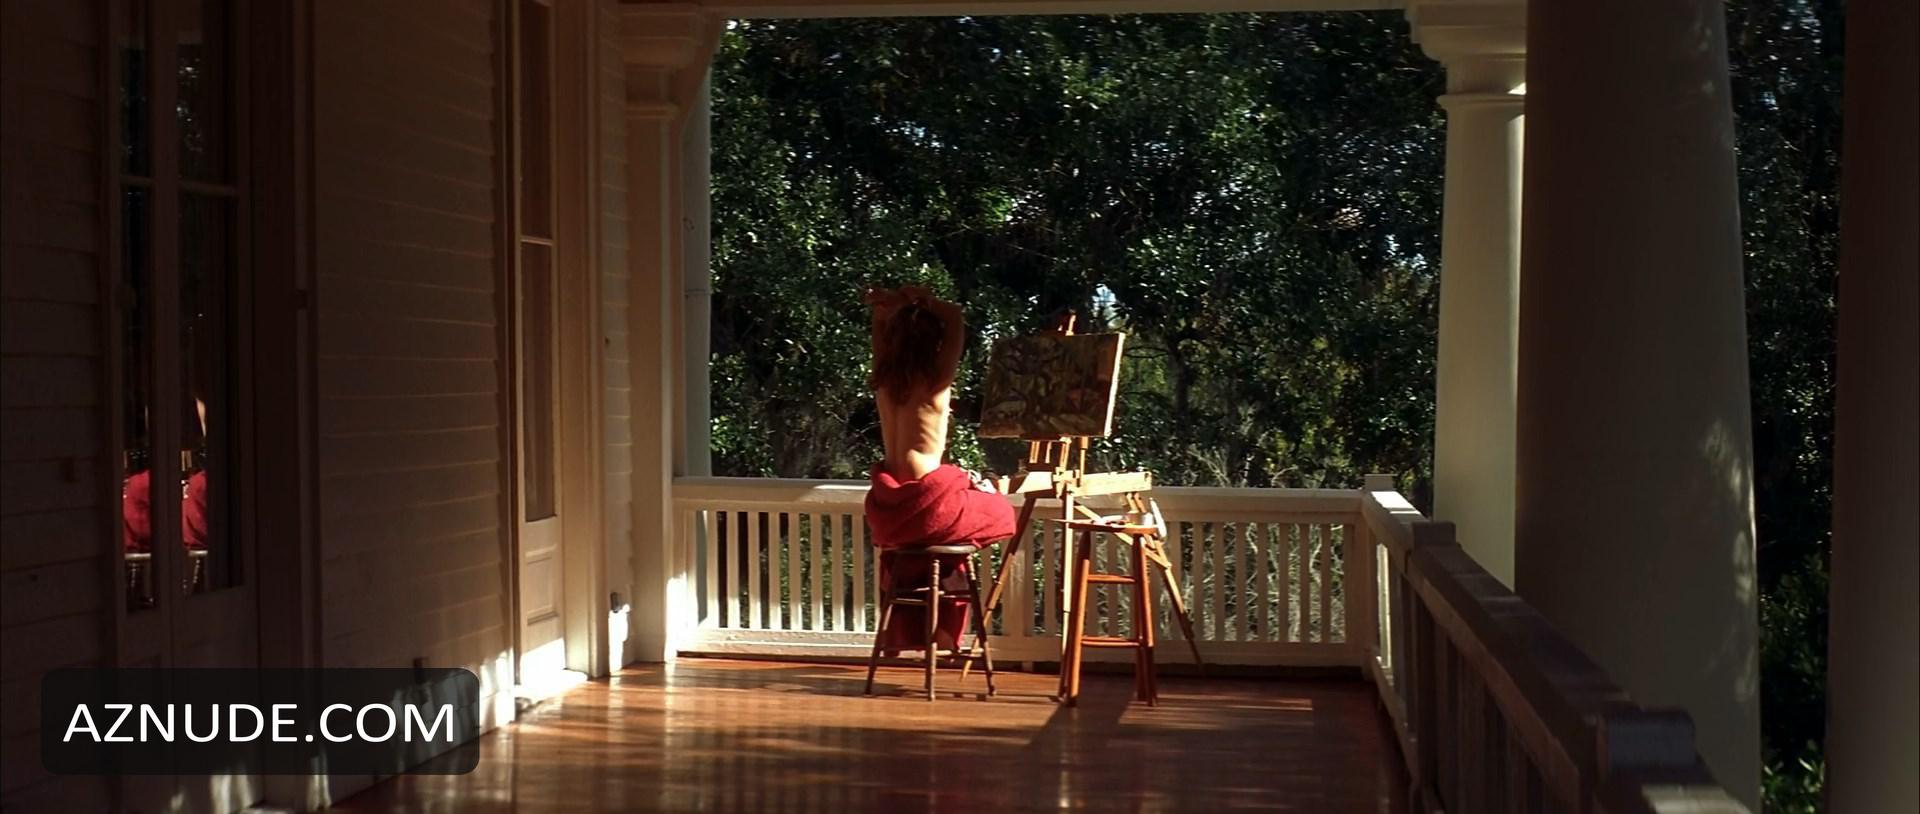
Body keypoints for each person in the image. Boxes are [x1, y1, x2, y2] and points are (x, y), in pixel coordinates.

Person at [862, 286, 1016, 655]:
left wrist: (885, 311)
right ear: (934, 345)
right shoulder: (935, 383)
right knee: (1001, 510)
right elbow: (956, 318)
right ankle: (946, 628)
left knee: (946, 547)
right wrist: (921, 299)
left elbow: (880, 336)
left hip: (890, 511)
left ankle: (912, 629)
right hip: (926, 506)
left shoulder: (884, 381)